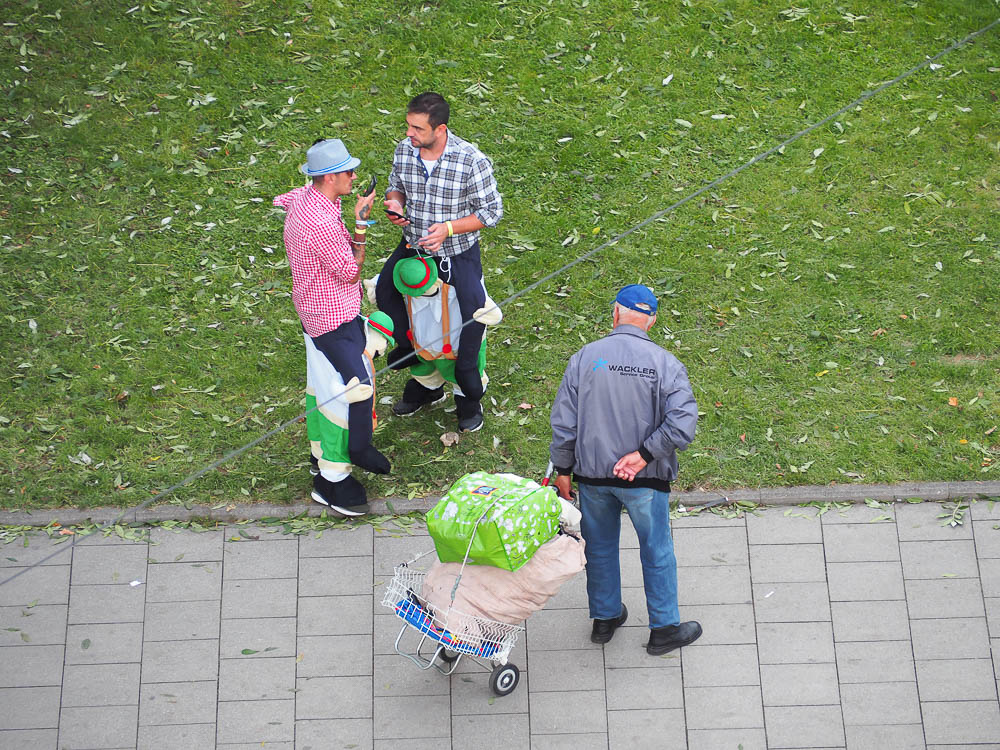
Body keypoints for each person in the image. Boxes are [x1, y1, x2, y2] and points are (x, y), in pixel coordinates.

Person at [548, 284, 703, 655]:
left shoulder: (585, 358)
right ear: (652, 320)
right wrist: (644, 455)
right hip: (646, 482)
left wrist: (564, 469)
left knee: (599, 548)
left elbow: (564, 423)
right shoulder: (666, 364)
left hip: (592, 478)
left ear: (614, 313)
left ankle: (604, 619)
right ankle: (664, 629)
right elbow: (683, 424)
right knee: (656, 550)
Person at [376, 92, 503, 433]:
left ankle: (468, 391)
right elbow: (395, 187)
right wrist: (396, 206)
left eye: (417, 128)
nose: (409, 134)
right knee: (385, 294)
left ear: (440, 128)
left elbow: (491, 213)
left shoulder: (471, 160)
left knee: (472, 318)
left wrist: (448, 229)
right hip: (413, 248)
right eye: (408, 125)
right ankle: (419, 369)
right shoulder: (405, 150)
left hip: (458, 254)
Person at [273, 138, 387, 516]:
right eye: (348, 172)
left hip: (317, 311)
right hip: (332, 318)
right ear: (329, 177)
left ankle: (322, 455)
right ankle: (345, 464)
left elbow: (285, 198)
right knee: (356, 387)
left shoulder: (308, 196)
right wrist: (361, 225)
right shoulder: (321, 222)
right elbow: (351, 271)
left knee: (324, 384)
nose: (354, 176)